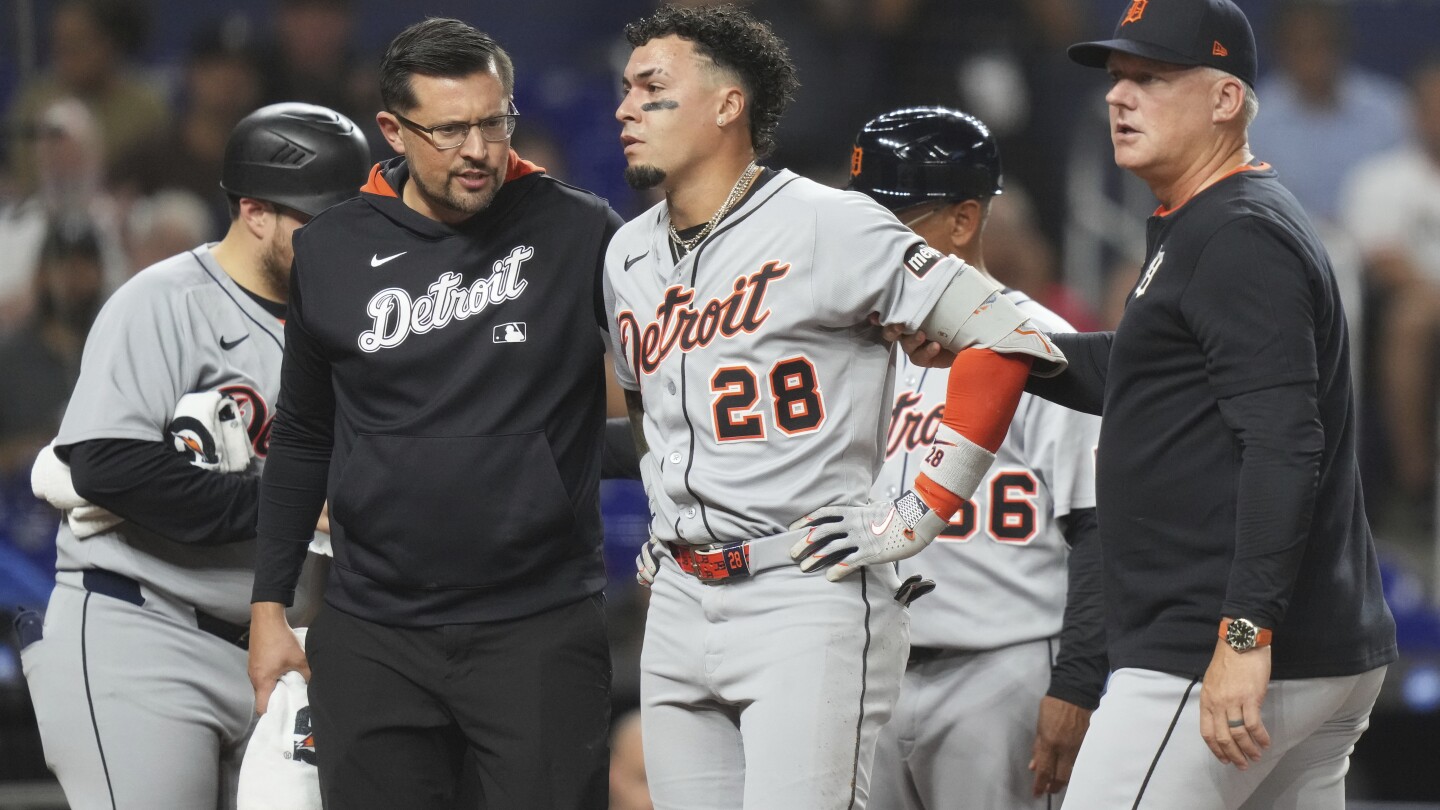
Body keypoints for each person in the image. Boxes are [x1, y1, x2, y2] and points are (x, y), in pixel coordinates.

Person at [611, 5, 1066, 807]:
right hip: (681, 598)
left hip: (803, 591)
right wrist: (670, 509)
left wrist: (919, 512)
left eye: (653, 88)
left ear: (728, 105)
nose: (625, 109)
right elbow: (657, 411)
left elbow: (1006, 337)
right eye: (625, 89)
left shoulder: (830, 222)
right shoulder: (626, 253)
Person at [1005, 1, 1396, 806]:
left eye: (1149, 78)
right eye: (1116, 79)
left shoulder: (1236, 234)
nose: (1119, 97)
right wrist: (1009, 352)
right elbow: (1153, 372)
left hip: (1216, 649)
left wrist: (1244, 637)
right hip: (1300, 650)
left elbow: (1286, 444)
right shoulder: (1214, 218)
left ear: (1225, 100)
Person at [246, 19, 624, 809]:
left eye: (494, 121)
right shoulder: (332, 247)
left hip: (539, 625)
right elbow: (306, 434)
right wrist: (270, 604)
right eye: (450, 130)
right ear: (393, 128)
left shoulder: (582, 231)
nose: (478, 149)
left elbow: (665, 390)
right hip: (374, 629)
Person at [17, 101, 368, 810]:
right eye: (319, 221)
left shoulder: (348, 322)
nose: (343, 242)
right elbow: (105, 464)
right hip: (143, 627)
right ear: (255, 211)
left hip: (282, 649)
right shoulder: (163, 302)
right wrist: (294, 503)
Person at [849, 107, 1107, 809]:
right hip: (871, 667)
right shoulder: (846, 347)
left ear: (964, 221)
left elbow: (1101, 528)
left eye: (894, 220)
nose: (869, 240)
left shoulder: (1044, 347)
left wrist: (1077, 683)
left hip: (1004, 671)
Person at [1341, 56, 1440, 511]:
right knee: (1411, 320)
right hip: (1408, 309)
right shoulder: (1381, 178)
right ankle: (1416, 485)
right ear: (1415, 113)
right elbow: (1380, 257)